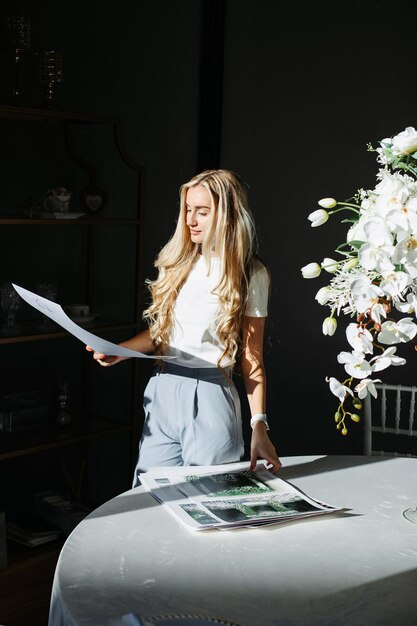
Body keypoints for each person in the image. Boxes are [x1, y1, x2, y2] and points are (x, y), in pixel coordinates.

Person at [86, 169, 281, 486]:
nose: (191, 219)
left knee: (209, 498)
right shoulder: (178, 262)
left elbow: (252, 354)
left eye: (202, 211)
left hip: (209, 394)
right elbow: (162, 332)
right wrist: (120, 352)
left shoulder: (250, 272)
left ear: (227, 215)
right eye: (188, 209)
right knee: (149, 497)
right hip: (163, 387)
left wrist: (259, 422)